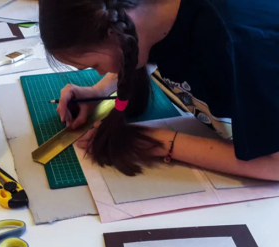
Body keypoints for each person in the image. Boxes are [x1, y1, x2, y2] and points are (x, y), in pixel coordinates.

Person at [39, 0, 279, 180]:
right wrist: (97, 90)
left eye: (94, 65)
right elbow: (140, 49)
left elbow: (274, 164)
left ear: (115, 33)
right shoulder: (157, 16)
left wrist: (159, 142)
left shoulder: (238, 43)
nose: (100, 72)